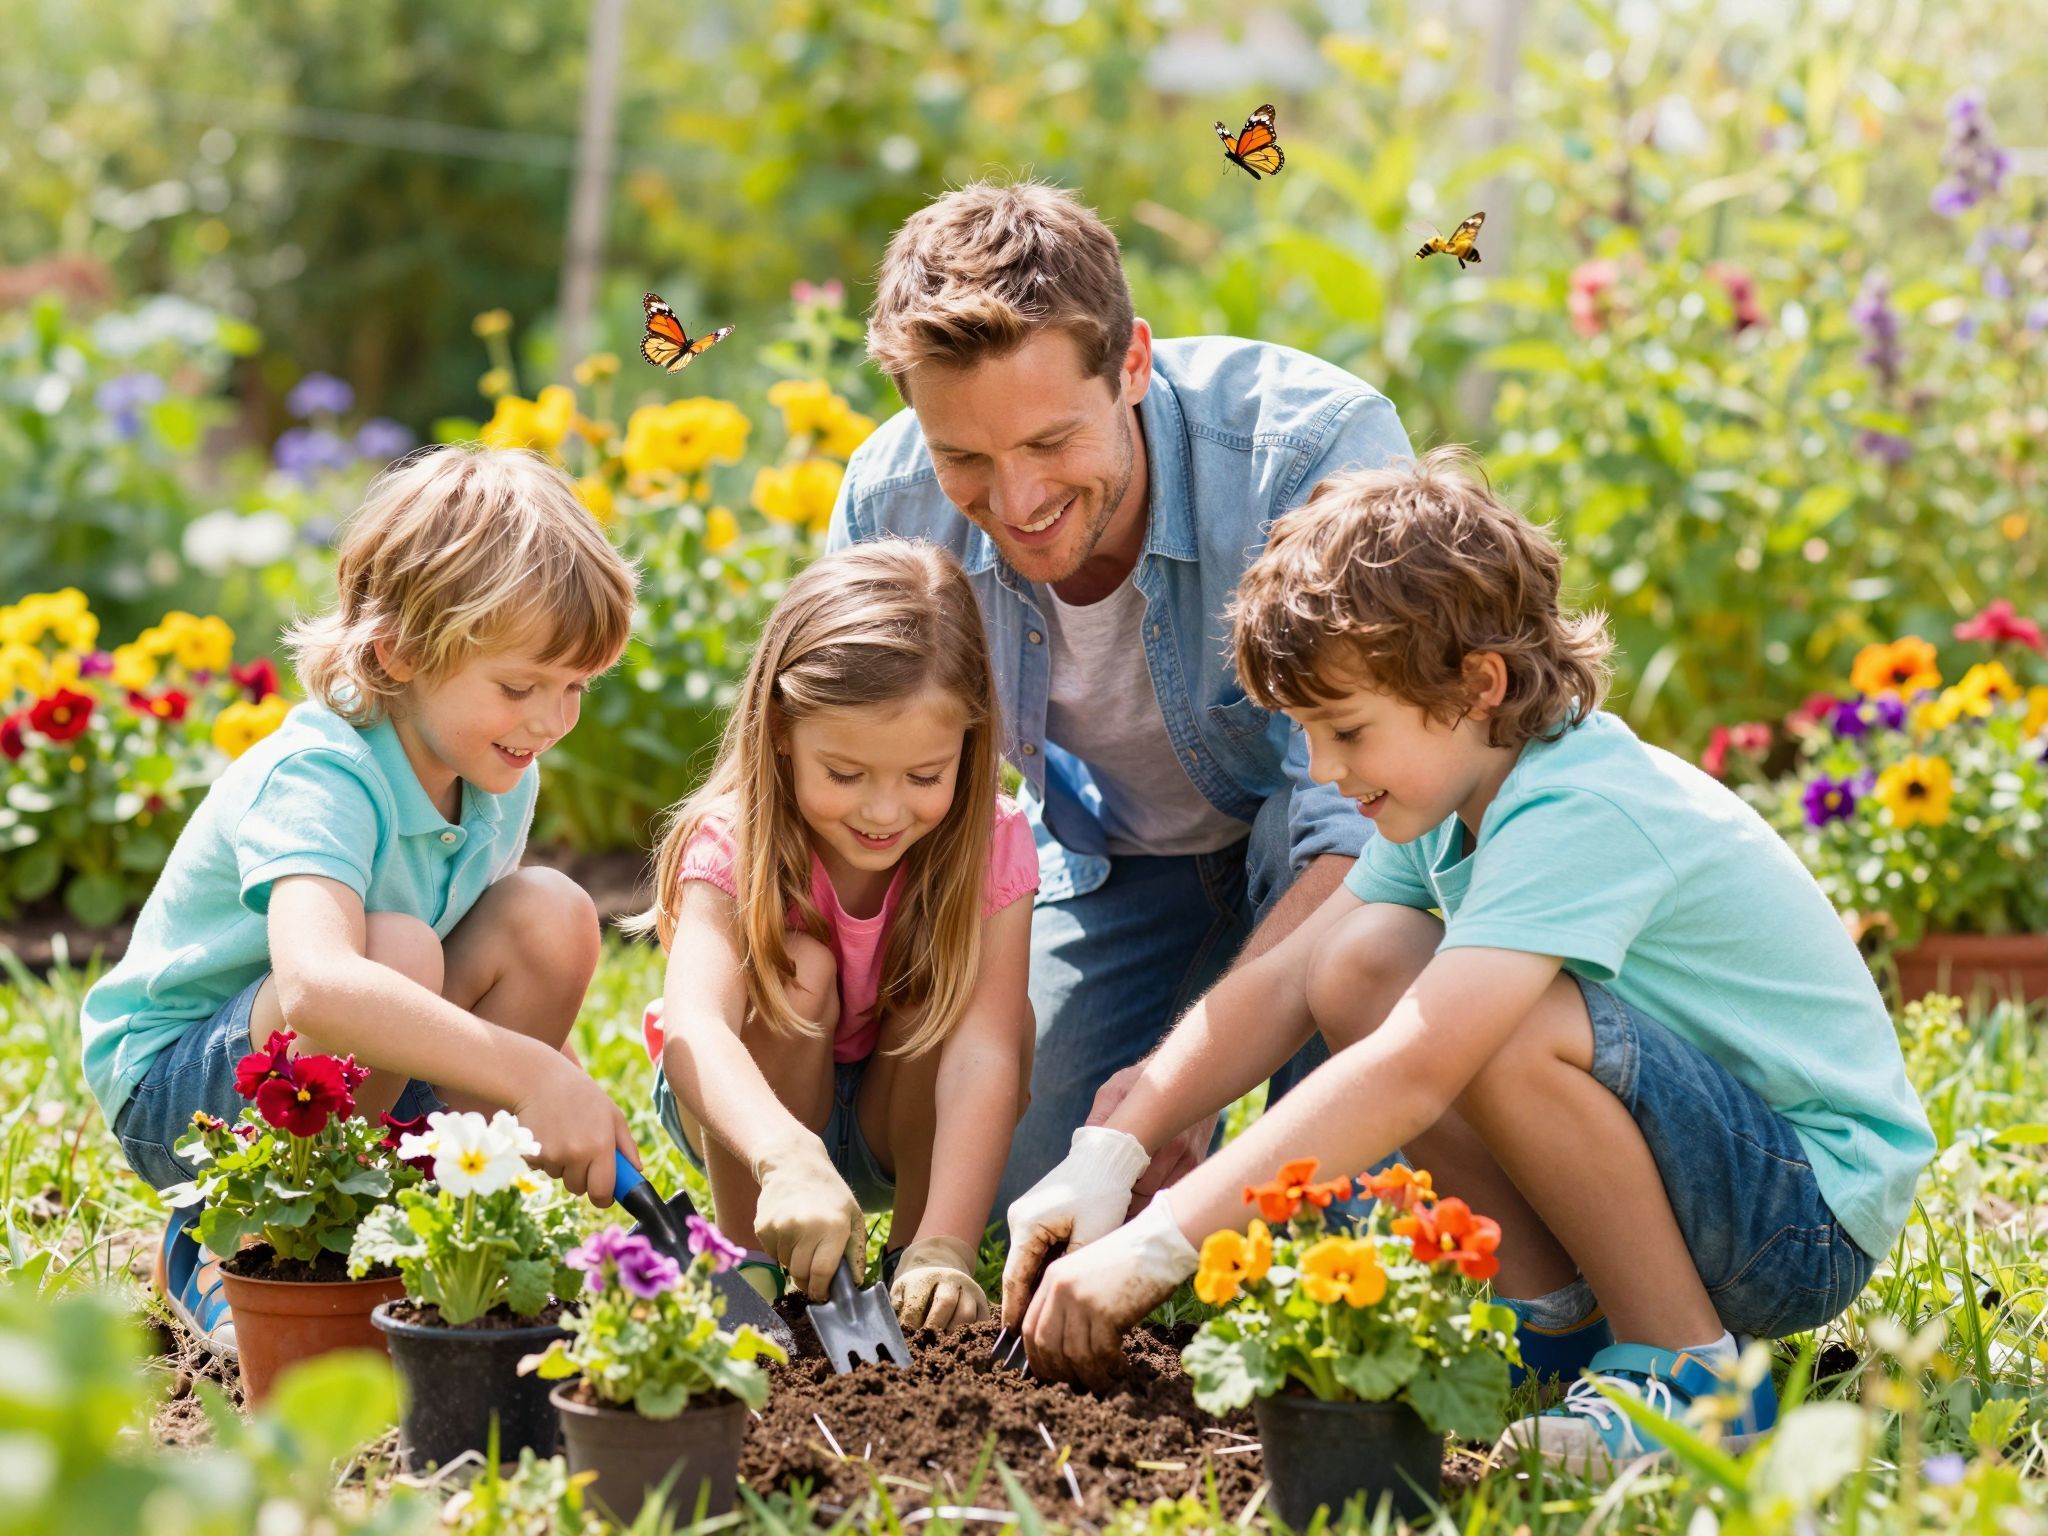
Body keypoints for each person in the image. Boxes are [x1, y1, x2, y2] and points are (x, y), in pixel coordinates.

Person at [1001, 447, 1935, 1472]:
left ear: (1476, 685)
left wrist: (1160, 1241)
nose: (1321, 771)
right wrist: (1115, 1150)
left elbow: (1415, 1066)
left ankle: (1686, 1374)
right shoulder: (1452, 800)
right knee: (1358, 963)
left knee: (1490, 1023)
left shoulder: (1579, 805)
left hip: (1798, 1213)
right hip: (1716, 1172)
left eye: (1346, 729)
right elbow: (1282, 980)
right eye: (1305, 733)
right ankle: (1562, 1330)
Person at [828, 179, 1416, 1212]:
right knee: (1016, 1178)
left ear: (1131, 363)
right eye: (963, 454)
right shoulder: (892, 501)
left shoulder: (1309, 456)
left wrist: (1185, 1083)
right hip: (1118, 865)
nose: (1015, 502)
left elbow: (1369, 825)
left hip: (1329, 850)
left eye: (1050, 443)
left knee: (1317, 1209)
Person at [83, 444, 646, 1362]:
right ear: (399, 651)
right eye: (519, 687)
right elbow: (320, 990)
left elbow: (492, 960)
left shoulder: (497, 770)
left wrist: (563, 1087)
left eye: (575, 688)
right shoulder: (321, 773)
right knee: (394, 953)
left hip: (352, 1067)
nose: (550, 722)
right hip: (183, 1093)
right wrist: (529, 1074)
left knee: (551, 913)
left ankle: (428, 1220)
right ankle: (238, 1237)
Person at [629, 540, 1037, 1329]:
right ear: (781, 731)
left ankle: (917, 1268)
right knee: (797, 970)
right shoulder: (734, 842)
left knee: (968, 1002)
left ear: (969, 743)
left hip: (898, 1112)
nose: (884, 811)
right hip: (749, 1119)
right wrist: (784, 1155)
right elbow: (696, 1029)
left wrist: (951, 1243)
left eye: (924, 777)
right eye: (845, 775)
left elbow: (988, 1049)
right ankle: (743, 1257)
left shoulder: (992, 842)